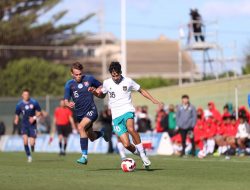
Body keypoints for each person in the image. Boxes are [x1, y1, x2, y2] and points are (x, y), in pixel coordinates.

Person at [97, 61, 162, 168]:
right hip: (116, 116)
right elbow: (101, 95)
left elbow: (141, 90)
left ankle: (143, 155)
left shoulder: (128, 81)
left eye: (117, 75)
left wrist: (153, 99)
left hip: (127, 110)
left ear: (120, 72)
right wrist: (95, 92)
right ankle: (140, 154)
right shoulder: (107, 83)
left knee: (131, 129)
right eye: (113, 75)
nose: (115, 77)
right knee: (126, 144)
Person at [64, 62, 108, 165]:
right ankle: (102, 133)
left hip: (91, 111)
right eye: (76, 74)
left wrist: (97, 89)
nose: (79, 76)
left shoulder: (89, 79)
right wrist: (68, 103)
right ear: (72, 74)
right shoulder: (69, 85)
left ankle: (84, 157)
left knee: (80, 127)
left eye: (80, 74)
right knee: (91, 137)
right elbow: (66, 100)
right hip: (80, 115)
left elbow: (101, 86)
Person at [14, 89, 41, 162]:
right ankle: (29, 156)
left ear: (29, 95)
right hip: (24, 125)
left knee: (32, 143)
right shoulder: (19, 105)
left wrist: (34, 118)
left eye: (27, 94)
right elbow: (17, 114)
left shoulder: (34, 102)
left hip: (32, 125)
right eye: (24, 94)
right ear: (22, 95)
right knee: (25, 141)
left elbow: (39, 112)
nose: (26, 96)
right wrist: (16, 119)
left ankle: (32, 146)